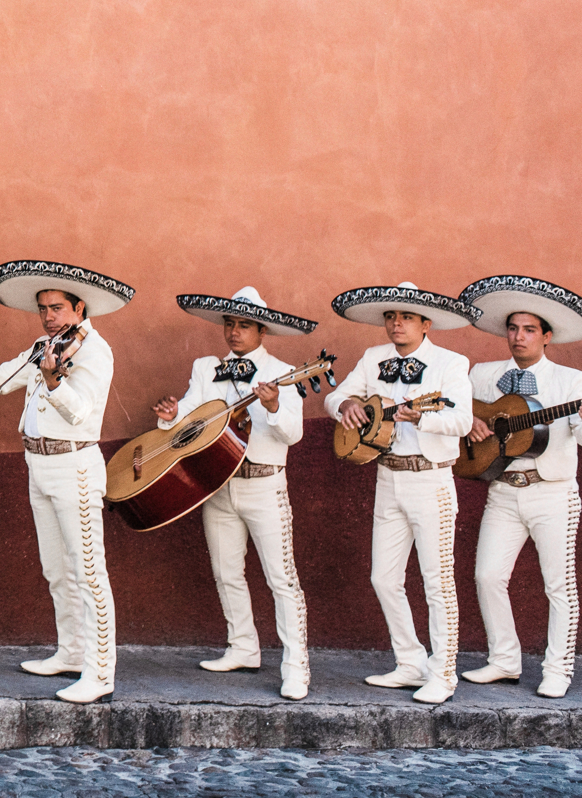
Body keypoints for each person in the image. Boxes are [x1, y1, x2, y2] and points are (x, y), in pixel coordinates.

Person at [0, 260, 131, 705]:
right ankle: (70, 652)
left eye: (57, 309)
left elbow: (82, 412)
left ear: (79, 308)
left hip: (75, 467)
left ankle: (100, 672)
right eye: (43, 309)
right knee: (56, 569)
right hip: (39, 465)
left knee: (88, 572)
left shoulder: (94, 352)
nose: (49, 317)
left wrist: (52, 382)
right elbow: (0, 376)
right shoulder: (45, 345)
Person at [155, 288, 316, 701]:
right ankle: (243, 646)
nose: (233, 331)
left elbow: (293, 434)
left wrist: (275, 405)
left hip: (264, 484)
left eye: (243, 324)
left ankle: (296, 666)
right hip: (217, 486)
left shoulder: (283, 372)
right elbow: (191, 418)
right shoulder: (207, 368)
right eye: (229, 323)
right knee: (227, 571)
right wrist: (172, 419)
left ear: (262, 330)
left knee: (282, 579)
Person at [325, 283, 476, 705]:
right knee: (383, 577)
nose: (396, 323)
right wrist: (346, 406)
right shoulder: (374, 358)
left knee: (436, 579)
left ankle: (444, 672)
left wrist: (423, 418)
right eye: (392, 316)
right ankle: (410, 662)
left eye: (406, 317)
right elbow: (336, 394)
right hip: (387, 477)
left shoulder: (451, 362)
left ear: (426, 324)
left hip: (431, 479)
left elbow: (462, 420)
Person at [457, 275, 582, 699]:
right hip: (503, 489)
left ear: (547, 337)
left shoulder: (572, 382)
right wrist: (469, 422)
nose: (518, 337)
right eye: (513, 328)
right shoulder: (484, 373)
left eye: (529, 330)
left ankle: (558, 668)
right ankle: (505, 660)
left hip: (552, 492)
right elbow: (459, 410)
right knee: (487, 575)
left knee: (558, 584)